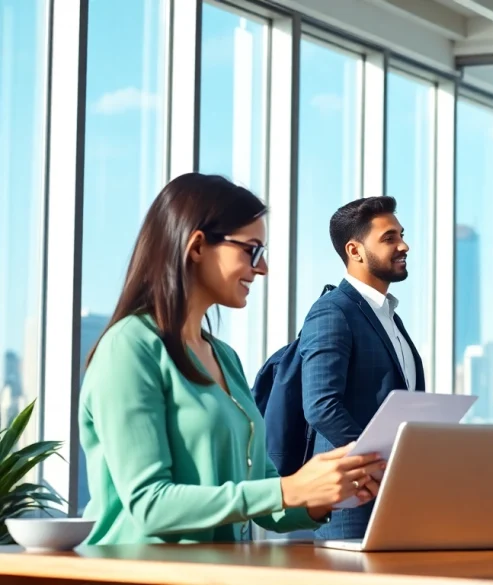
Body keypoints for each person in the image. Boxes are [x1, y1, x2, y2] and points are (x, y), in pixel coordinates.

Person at [79, 173, 386, 545]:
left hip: (222, 569)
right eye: (251, 250)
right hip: (138, 569)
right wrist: (288, 489)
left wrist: (321, 495)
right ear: (197, 246)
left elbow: (261, 496)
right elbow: (149, 505)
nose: (263, 267)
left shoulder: (224, 357)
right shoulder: (129, 348)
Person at [299, 195, 425, 540]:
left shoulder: (390, 317)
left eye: (401, 235)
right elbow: (321, 405)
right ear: (354, 250)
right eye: (389, 238)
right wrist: (380, 463)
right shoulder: (332, 311)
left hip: (394, 492)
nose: (404, 245)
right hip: (351, 497)